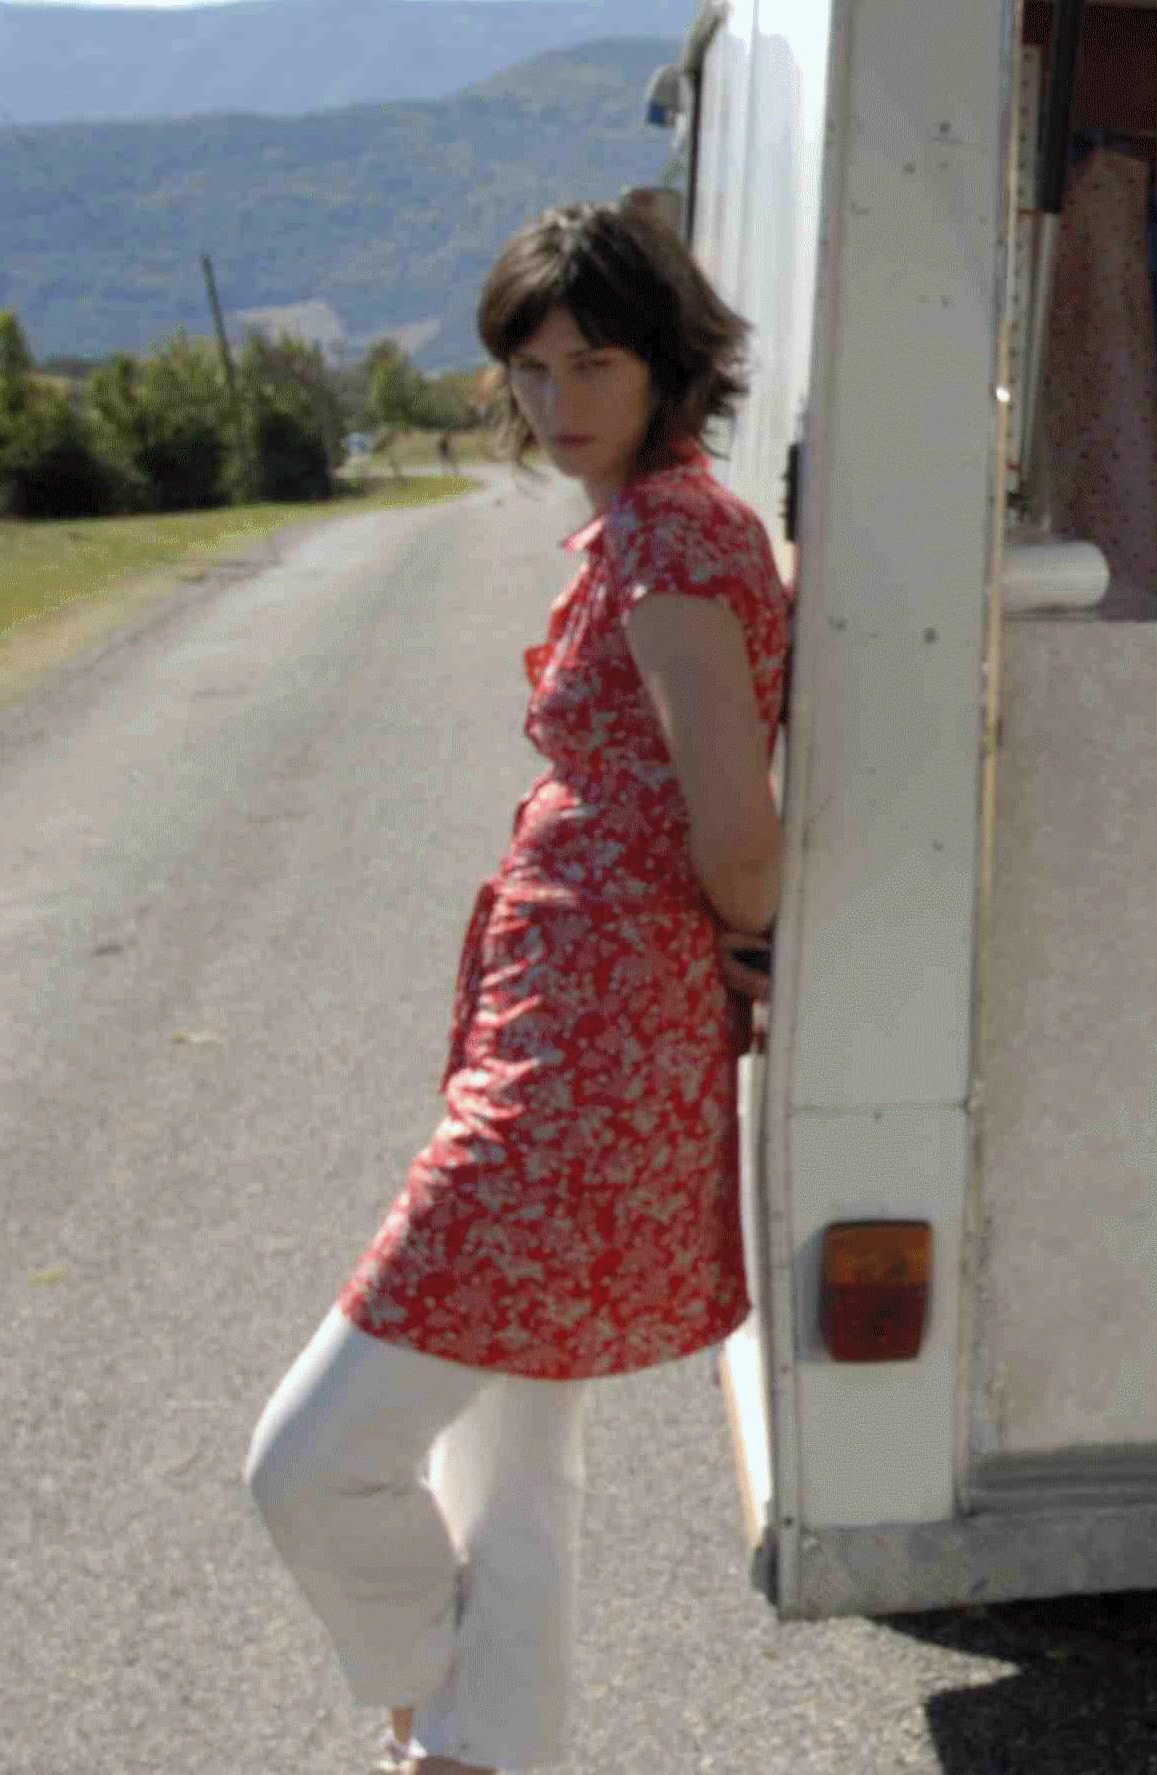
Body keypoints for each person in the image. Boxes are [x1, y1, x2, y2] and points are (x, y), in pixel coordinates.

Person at [247, 200, 789, 1774]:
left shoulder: (669, 541)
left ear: (669, 362)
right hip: (572, 1030)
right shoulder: (656, 524)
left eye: (595, 365)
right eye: (532, 370)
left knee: (311, 1464)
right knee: (516, 1463)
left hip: (581, 1068)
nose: (559, 403)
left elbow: (735, 828)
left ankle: (437, 1701)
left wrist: (750, 934)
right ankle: (485, 1753)